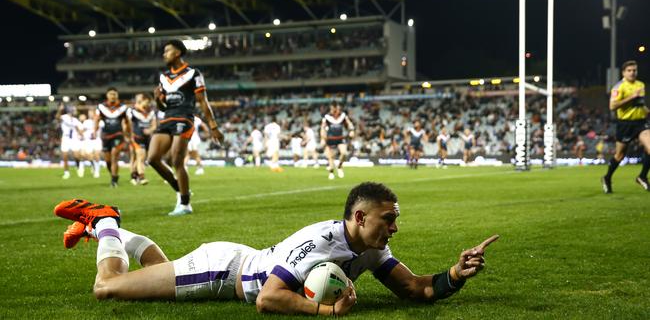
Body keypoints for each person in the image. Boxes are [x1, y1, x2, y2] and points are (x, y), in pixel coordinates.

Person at [53, 182, 498, 316]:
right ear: (360, 218)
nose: (395, 227)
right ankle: (106, 220)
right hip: (221, 272)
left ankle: (103, 229)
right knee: (107, 288)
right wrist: (327, 312)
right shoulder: (321, 241)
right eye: (389, 219)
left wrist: (455, 274)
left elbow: (416, 289)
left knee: (159, 273)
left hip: (228, 264)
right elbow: (268, 298)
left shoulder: (369, 250)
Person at [148, 39, 224, 216]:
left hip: (185, 118)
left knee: (176, 160)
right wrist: (157, 99)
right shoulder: (163, 77)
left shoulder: (193, 74)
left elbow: (202, 101)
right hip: (167, 119)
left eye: (167, 51)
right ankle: (181, 189)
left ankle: (185, 204)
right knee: (152, 158)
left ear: (177, 53)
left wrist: (213, 126)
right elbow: (162, 107)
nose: (164, 54)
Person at [602, 60, 650, 193]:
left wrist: (647, 111)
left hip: (641, 123)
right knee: (620, 155)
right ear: (623, 72)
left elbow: (640, 104)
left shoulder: (640, 84)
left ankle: (642, 176)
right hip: (625, 124)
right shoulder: (619, 87)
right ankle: (607, 177)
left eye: (634, 70)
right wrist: (631, 97)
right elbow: (612, 106)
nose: (632, 73)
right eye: (629, 70)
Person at [94, 88, 130, 187]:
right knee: (108, 161)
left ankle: (114, 181)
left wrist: (128, 133)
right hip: (105, 135)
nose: (113, 96)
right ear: (107, 95)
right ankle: (114, 176)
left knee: (114, 156)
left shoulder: (123, 107)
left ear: (117, 95)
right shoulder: (101, 107)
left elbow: (127, 121)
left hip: (118, 134)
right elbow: (97, 119)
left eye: (114, 94)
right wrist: (94, 130)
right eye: (111, 94)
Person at [127, 94, 157, 185]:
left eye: (149, 102)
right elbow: (127, 124)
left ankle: (133, 175)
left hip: (147, 138)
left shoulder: (151, 112)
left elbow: (154, 125)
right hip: (136, 137)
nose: (148, 104)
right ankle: (142, 177)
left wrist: (150, 130)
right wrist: (128, 135)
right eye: (146, 102)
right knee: (140, 156)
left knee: (141, 158)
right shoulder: (132, 111)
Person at [321, 101, 355, 180]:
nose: (335, 110)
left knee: (344, 153)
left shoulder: (343, 116)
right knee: (331, 157)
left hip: (340, 138)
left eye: (336, 108)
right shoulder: (327, 117)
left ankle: (339, 166)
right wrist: (323, 138)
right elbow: (322, 128)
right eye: (333, 108)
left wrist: (352, 130)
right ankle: (331, 172)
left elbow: (349, 124)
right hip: (330, 139)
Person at [56, 104, 83, 179]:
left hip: (74, 139)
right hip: (66, 138)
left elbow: (80, 129)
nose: (75, 112)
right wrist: (60, 110)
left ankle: (78, 166)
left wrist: (81, 135)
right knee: (65, 156)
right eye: (74, 110)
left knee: (76, 155)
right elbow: (57, 117)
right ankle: (66, 172)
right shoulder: (64, 117)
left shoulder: (76, 120)